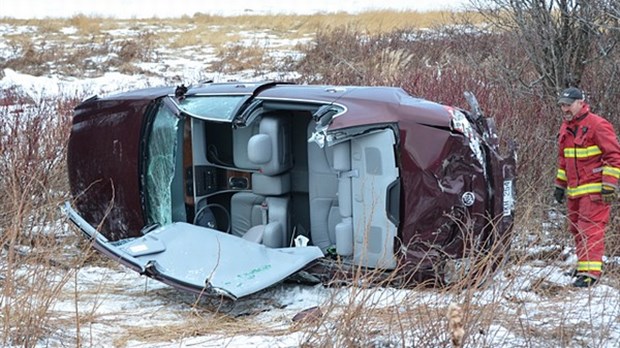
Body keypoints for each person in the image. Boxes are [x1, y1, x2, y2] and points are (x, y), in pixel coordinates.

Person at [554, 87, 620, 287]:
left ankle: (591, 274)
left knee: (590, 229)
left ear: (580, 103)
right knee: (576, 228)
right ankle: (583, 268)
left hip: (594, 191)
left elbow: (614, 156)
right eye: (562, 105)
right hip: (575, 191)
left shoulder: (597, 125)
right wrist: (560, 185)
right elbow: (563, 160)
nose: (565, 108)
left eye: (568, 104)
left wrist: (609, 186)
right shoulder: (566, 128)